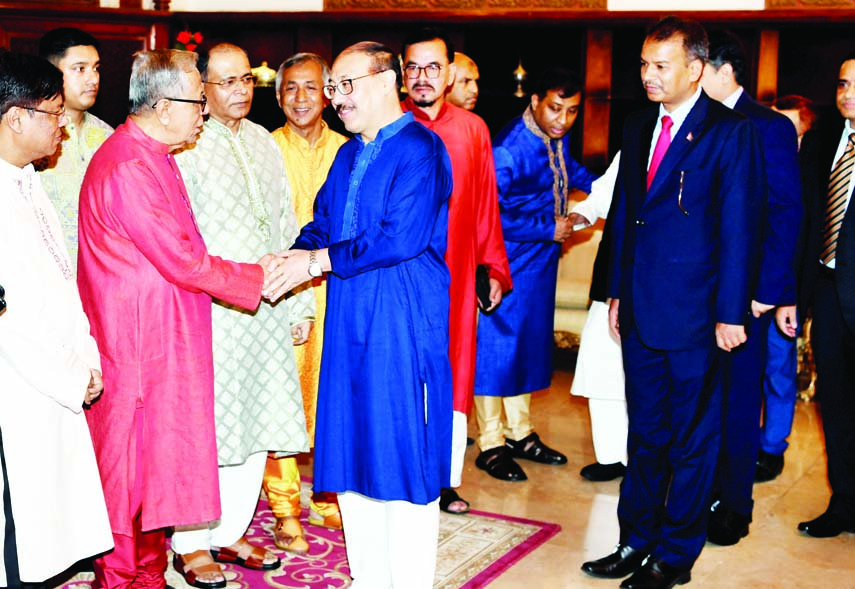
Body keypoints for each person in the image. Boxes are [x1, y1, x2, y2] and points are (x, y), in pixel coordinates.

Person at [77, 49, 283, 589]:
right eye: (198, 101)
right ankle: (121, 579)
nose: (205, 113)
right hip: (136, 343)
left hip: (166, 335)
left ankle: (147, 573)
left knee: (159, 468)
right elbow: (182, 258)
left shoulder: (156, 153)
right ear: (165, 106)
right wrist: (258, 277)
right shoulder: (127, 164)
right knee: (130, 473)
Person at [582, 16, 764, 588]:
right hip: (639, 311)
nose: (649, 75)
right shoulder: (638, 127)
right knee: (645, 435)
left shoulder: (729, 132)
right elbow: (626, 221)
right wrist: (615, 290)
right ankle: (634, 541)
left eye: (661, 65)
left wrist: (732, 313)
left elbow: (741, 229)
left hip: (697, 318)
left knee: (692, 442)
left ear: (695, 68)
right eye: (643, 64)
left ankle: (674, 556)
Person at [264, 41, 453, 589]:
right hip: (348, 317)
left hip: (401, 316)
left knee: (403, 452)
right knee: (351, 446)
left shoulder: (422, 149)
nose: (336, 99)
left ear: (384, 81)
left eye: (345, 86)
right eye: (334, 87)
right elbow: (324, 222)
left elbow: (398, 238)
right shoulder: (349, 153)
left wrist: (317, 260)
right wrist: (292, 257)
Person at [170, 43, 312, 583]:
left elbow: (284, 223)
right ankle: (191, 539)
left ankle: (228, 533)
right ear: (201, 88)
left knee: (257, 419)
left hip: (268, 306)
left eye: (246, 80)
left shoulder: (262, 141)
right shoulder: (184, 145)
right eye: (225, 81)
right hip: (212, 313)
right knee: (208, 424)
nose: (240, 91)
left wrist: (297, 301)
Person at [0, 50, 112, 589]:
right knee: (19, 513)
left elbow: (61, 284)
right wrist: (71, 373)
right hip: (18, 382)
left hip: (56, 371)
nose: (63, 126)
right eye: (52, 113)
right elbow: (8, 317)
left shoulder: (27, 180)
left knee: (49, 509)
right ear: (15, 117)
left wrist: (85, 358)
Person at [400, 28, 511, 514]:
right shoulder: (385, 126)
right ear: (402, 75)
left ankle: (444, 480)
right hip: (399, 278)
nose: (423, 77)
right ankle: (400, 470)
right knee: (400, 371)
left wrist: (491, 266)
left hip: (455, 278)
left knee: (451, 371)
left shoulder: (472, 129)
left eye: (433, 67)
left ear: (449, 74)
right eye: (414, 68)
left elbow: (487, 203)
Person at [699, 29, 802, 546]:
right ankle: (699, 492)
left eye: (700, 69)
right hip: (701, 292)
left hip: (748, 298)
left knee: (738, 402)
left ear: (723, 71)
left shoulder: (769, 126)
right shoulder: (701, 126)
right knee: (699, 401)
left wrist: (770, 291)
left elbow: (786, 213)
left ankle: (733, 505)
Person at [473, 67, 596, 483]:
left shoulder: (552, 137)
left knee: (525, 349)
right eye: (556, 109)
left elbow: (569, 173)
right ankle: (490, 443)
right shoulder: (509, 147)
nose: (563, 120)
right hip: (506, 263)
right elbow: (487, 213)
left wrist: (610, 186)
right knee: (495, 350)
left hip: (539, 265)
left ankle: (519, 433)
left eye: (572, 111)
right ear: (535, 102)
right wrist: (549, 227)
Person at [262, 52, 348, 554]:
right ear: (278, 96)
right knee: (284, 396)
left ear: (329, 94)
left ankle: (329, 492)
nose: (300, 98)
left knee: (332, 392)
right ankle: (284, 505)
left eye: (311, 88)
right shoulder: (265, 149)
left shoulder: (348, 150)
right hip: (283, 292)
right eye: (290, 89)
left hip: (337, 289)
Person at [796, 52, 855, 538]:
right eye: (841, 84)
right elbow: (803, 224)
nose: (846, 93)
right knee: (834, 403)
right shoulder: (818, 143)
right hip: (829, 294)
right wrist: (794, 296)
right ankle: (845, 503)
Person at [756, 95, 817, 483]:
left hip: (785, 295)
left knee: (779, 373)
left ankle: (773, 447)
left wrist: (790, 297)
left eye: (792, 131)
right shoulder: (756, 168)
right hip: (747, 293)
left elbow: (803, 243)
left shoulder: (810, 178)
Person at [568, 152, 627, 482]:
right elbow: (603, 194)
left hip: (665, 273)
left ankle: (639, 461)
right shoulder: (638, 133)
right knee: (601, 364)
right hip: (614, 269)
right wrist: (582, 213)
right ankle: (609, 457)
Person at [37, 27, 113, 272]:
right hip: (46, 272)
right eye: (80, 69)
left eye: (96, 68)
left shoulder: (109, 137)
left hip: (100, 272)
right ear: (52, 72)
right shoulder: (33, 137)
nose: (93, 78)